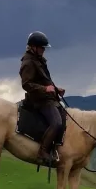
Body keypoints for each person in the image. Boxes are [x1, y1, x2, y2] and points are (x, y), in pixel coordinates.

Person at [19, 31, 66, 165]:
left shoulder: (38, 59)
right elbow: (26, 84)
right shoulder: (28, 62)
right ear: (33, 47)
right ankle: (43, 152)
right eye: (41, 47)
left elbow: (44, 80)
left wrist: (56, 89)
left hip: (46, 97)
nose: (44, 50)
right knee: (56, 122)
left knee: (63, 116)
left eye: (44, 48)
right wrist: (45, 89)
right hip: (38, 100)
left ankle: (56, 147)